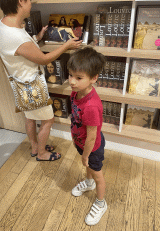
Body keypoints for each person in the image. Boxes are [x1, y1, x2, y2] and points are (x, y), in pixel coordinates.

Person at [0, 0, 82, 161]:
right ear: (20, 1)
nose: (31, 2)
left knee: (30, 117)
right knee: (48, 120)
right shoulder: (14, 34)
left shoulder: (4, 24)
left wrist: (36, 37)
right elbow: (43, 59)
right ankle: (42, 153)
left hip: (20, 84)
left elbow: (20, 50)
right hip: (32, 86)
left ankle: (36, 147)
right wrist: (66, 46)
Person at [67, 47, 107, 225]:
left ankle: (101, 202)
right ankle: (88, 182)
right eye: (70, 75)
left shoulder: (91, 106)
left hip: (91, 147)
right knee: (88, 169)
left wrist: (85, 155)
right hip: (82, 143)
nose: (72, 82)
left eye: (78, 77)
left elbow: (91, 137)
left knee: (97, 174)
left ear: (94, 78)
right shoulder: (76, 93)